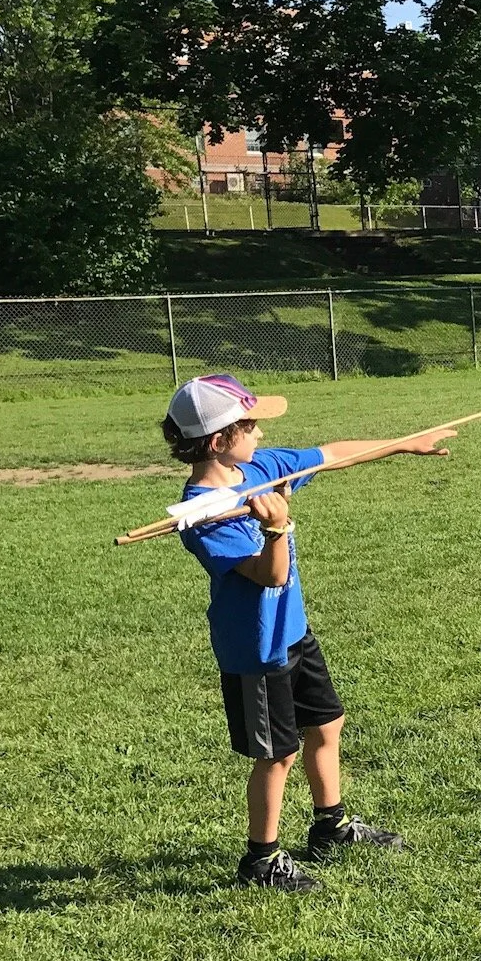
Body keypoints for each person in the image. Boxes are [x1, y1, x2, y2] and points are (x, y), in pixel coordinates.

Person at [161, 374, 455, 890]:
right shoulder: (204, 516)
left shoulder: (259, 467)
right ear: (216, 440)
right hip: (256, 648)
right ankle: (262, 860)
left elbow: (330, 453)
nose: (258, 434)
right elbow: (268, 575)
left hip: (293, 630)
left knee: (327, 725)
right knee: (278, 754)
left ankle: (331, 825)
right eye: (248, 425)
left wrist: (404, 443)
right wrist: (276, 527)